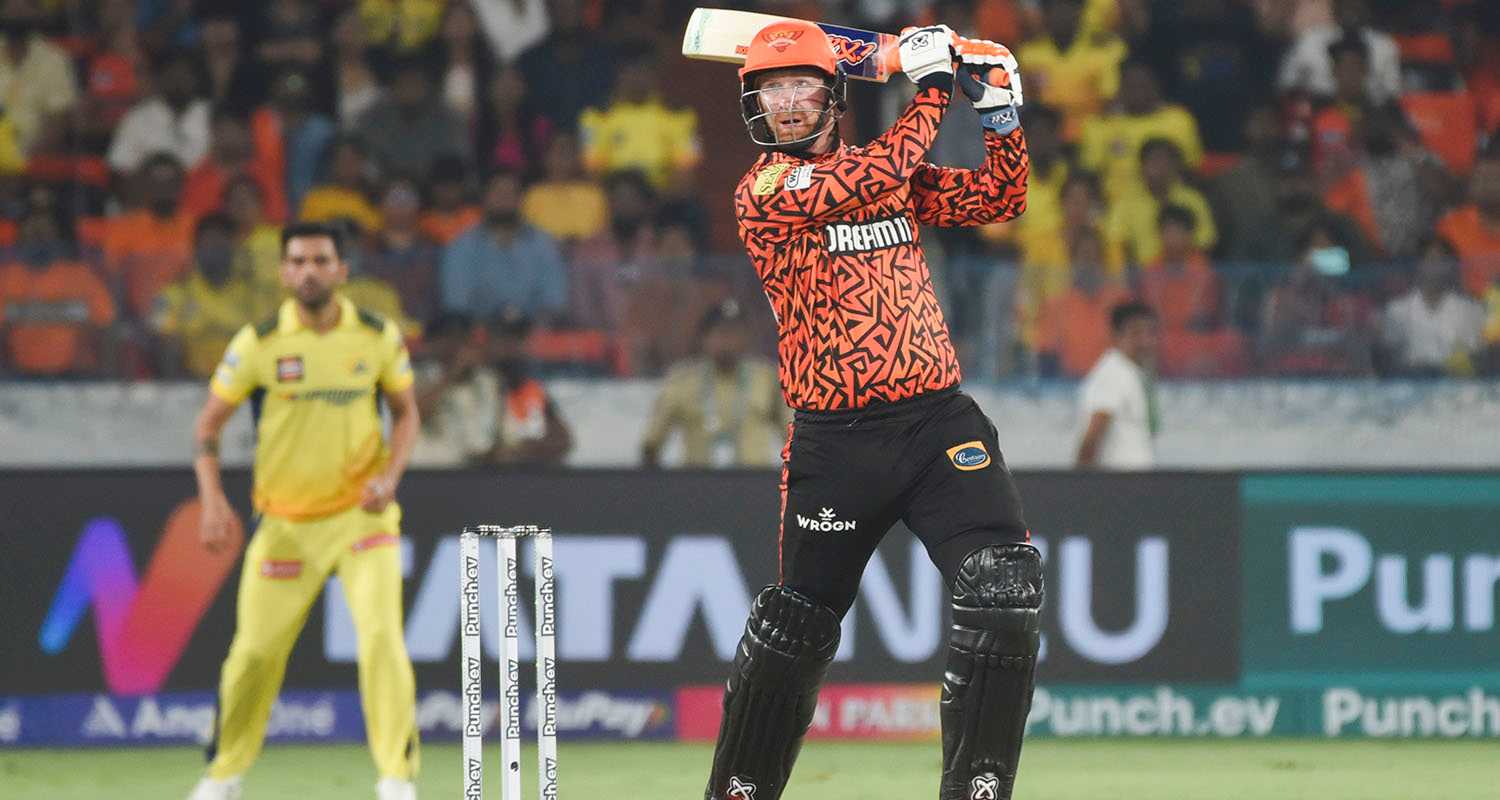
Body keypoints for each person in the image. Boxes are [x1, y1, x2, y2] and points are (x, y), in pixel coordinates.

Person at [704, 20, 1040, 800]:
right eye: (770, 90)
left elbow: (1002, 195)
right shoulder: (766, 190)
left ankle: (978, 790)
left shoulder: (886, 170)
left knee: (1004, 587)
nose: (785, 104)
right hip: (837, 446)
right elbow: (863, 179)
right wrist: (929, 91)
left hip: (937, 428)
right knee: (797, 626)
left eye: (800, 86)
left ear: (833, 94)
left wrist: (998, 116)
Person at [186, 222, 421, 800]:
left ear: (342, 270)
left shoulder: (376, 336)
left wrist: (389, 478)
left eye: (321, 260)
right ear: (283, 272)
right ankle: (223, 777)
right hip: (286, 525)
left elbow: (407, 413)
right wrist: (212, 500)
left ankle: (396, 779)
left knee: (382, 639)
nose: (309, 271)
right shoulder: (259, 343)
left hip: (361, 520)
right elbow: (207, 427)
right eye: (298, 261)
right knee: (253, 655)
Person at [640, 299, 787, 468]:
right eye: (721, 333)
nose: (728, 342)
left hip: (753, 486)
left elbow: (794, 440)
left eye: (735, 334)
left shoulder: (767, 379)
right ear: (704, 338)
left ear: (746, 338)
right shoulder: (683, 381)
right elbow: (651, 444)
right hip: (699, 487)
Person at [1075, 300, 1160, 469]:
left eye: (1149, 333)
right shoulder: (1112, 373)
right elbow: (1092, 436)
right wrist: (1081, 487)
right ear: (1115, 336)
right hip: (1118, 487)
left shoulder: (1133, 374)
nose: (1145, 341)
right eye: (1136, 333)